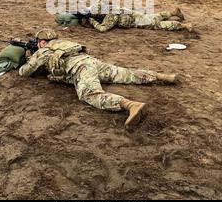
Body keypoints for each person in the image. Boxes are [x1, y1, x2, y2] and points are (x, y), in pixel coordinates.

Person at [19, 30, 180, 129]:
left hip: (81, 68)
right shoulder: (65, 43)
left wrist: (29, 57)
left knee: (90, 95)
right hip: (92, 61)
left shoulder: (44, 50)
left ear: (41, 42)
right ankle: (162, 76)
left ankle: (130, 105)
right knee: (124, 73)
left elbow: (24, 72)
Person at [56, 7, 194, 33]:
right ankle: (172, 12)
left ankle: (183, 26)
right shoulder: (104, 8)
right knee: (152, 17)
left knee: (156, 24)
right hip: (132, 14)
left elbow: (103, 29)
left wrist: (91, 21)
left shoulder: (110, 17)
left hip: (134, 21)